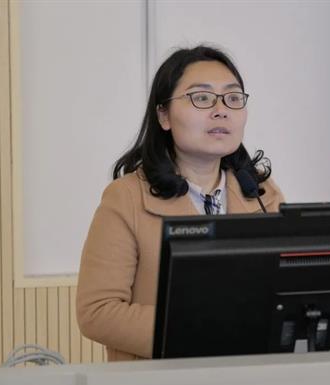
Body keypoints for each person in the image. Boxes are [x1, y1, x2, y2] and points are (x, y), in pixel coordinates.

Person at [76, 45, 285, 361]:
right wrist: (207, 330)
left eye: (233, 98)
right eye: (202, 98)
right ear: (164, 115)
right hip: (162, 380)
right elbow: (98, 312)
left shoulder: (262, 193)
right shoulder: (126, 198)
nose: (221, 110)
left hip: (250, 376)